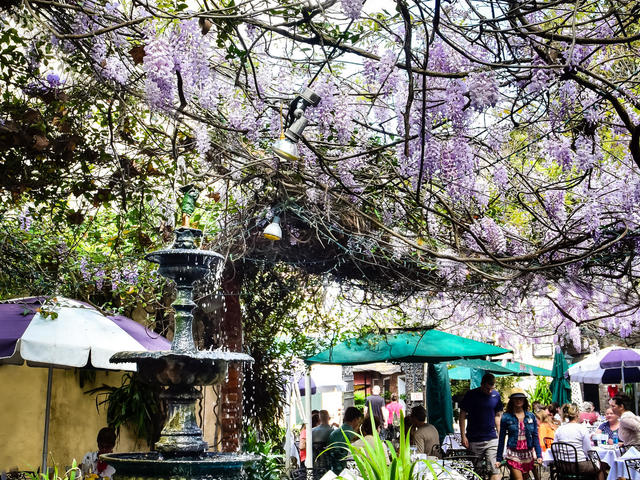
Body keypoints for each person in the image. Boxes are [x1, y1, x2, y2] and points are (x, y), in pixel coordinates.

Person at [459, 373, 504, 480]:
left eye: (491, 389)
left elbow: (497, 416)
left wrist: (500, 435)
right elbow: (462, 415)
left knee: (495, 469)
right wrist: (463, 436)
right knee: (476, 471)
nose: (489, 391)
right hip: (474, 439)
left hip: (491, 438)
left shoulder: (496, 395)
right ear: (482, 384)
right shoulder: (471, 394)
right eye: (487, 388)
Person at [496, 389, 542, 480]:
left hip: (527, 454)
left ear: (524, 400)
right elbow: (501, 438)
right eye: (516, 398)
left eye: (521, 398)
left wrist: (539, 455)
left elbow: (535, 437)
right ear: (512, 400)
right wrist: (498, 458)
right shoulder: (506, 417)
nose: (518, 400)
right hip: (513, 454)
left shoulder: (531, 416)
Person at [553, 403, 602, 479]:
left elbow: (555, 448)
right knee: (599, 467)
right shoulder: (581, 429)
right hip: (579, 465)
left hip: (562, 465)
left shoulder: (559, 429)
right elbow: (588, 450)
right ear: (577, 414)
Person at [327, 406, 364, 472]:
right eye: (359, 421)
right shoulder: (353, 435)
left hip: (332, 469)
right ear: (355, 420)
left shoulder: (333, 433)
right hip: (347, 470)